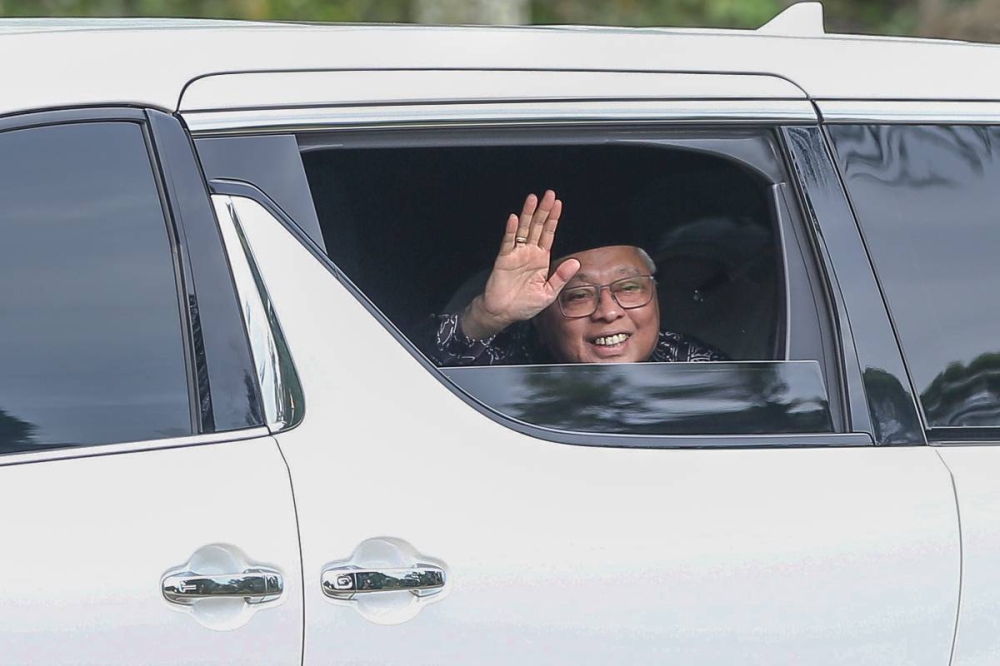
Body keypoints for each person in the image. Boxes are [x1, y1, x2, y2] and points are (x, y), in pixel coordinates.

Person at [429, 190, 726, 366]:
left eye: (630, 287)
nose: (609, 312)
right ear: (539, 318)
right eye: (579, 294)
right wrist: (486, 317)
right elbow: (407, 374)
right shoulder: (507, 360)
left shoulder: (691, 364)